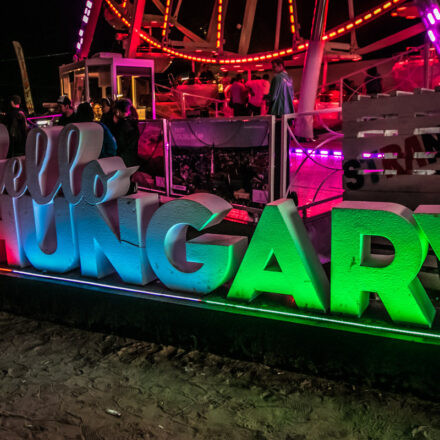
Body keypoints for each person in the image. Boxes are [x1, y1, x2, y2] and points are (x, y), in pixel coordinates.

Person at [113, 99, 140, 168]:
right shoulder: (133, 123)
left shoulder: (121, 126)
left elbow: (119, 144)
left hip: (122, 161)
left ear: (117, 111)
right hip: (133, 160)